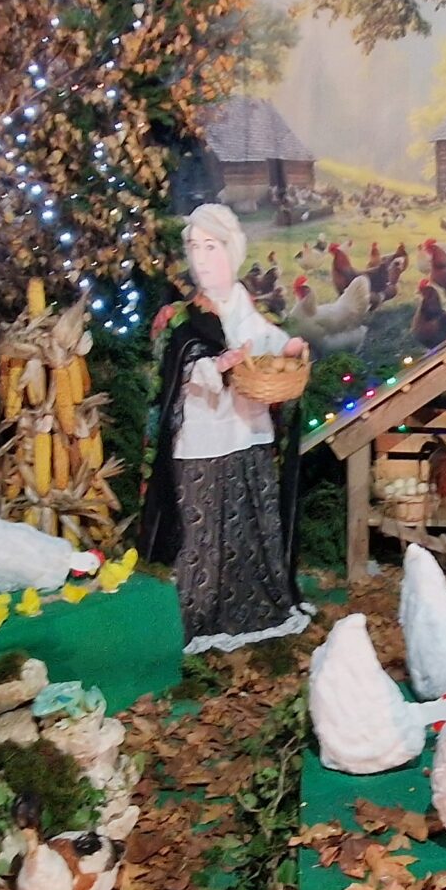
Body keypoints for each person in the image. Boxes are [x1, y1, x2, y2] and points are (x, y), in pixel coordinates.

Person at [140, 202, 315, 654]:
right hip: (201, 441)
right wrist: (216, 365)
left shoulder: (244, 306)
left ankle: (253, 607)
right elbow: (178, 370)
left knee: (249, 526)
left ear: (231, 251)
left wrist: (289, 348)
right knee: (200, 533)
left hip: (247, 433)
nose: (201, 258)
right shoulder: (181, 317)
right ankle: (198, 614)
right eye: (194, 247)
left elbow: (266, 340)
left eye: (211, 247)